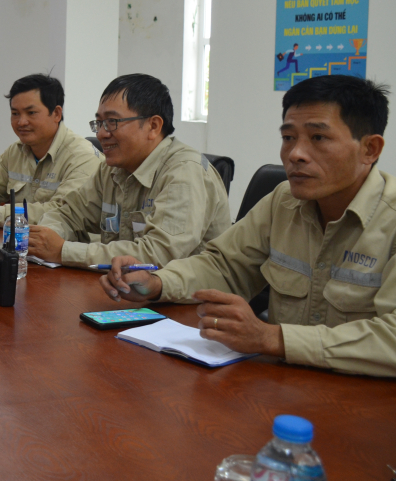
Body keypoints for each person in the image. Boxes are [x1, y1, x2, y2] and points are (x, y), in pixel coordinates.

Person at [99, 74, 396, 378]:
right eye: (289, 138)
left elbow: (391, 339)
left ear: (370, 149)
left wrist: (272, 338)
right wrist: (158, 283)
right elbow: (224, 265)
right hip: (284, 384)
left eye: (318, 138)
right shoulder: (283, 201)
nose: (295, 154)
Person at [28, 73, 231, 267]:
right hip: (127, 291)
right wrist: (47, 237)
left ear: (153, 126)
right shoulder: (112, 170)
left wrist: (63, 251)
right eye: (99, 122)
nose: (101, 133)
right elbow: (68, 213)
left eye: (112, 122)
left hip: (189, 300)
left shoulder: (185, 172)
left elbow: (157, 255)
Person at [0, 73, 102, 227]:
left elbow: (59, 213)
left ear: (56, 114)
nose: (21, 122)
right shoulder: (16, 151)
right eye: (15, 113)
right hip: (24, 242)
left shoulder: (82, 157)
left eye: (31, 113)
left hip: (67, 246)